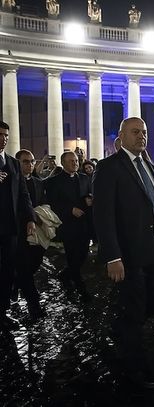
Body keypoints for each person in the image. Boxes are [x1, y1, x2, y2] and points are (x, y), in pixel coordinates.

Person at [93, 117, 154, 389]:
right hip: (128, 253)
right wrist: (112, 256)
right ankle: (136, 369)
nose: (141, 136)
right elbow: (103, 216)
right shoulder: (108, 168)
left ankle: (123, 324)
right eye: (135, 132)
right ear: (121, 136)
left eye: (145, 132)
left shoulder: (151, 167)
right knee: (135, 306)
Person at [0, 122, 36, 330]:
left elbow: (24, 195)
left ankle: (2, 311)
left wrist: (30, 218)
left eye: (6, 135)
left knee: (7, 271)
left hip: (10, 228)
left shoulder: (13, 164)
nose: (3, 138)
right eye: (0, 134)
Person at [45, 151, 93, 301]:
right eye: (71, 161)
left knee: (83, 254)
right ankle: (81, 289)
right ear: (63, 163)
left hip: (84, 223)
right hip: (67, 224)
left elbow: (88, 193)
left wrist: (89, 199)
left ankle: (65, 275)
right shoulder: (54, 181)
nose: (75, 163)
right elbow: (53, 203)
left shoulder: (85, 178)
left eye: (76, 161)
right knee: (72, 256)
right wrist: (70, 210)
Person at [14, 149, 47, 319]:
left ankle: (15, 284)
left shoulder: (38, 182)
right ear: (17, 163)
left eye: (32, 161)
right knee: (25, 268)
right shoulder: (12, 183)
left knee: (35, 262)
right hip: (19, 232)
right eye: (25, 161)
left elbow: (43, 203)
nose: (30, 165)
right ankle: (34, 305)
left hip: (38, 232)